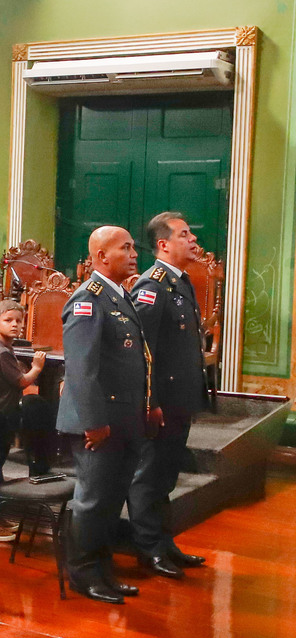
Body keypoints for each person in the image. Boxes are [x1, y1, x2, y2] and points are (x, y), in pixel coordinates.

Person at [57, 225, 158, 604]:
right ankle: (82, 572)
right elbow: (82, 370)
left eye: (134, 247)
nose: (134, 254)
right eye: (125, 248)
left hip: (123, 419)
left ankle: (103, 569)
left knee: (111, 499)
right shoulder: (88, 299)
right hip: (97, 423)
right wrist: (95, 422)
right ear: (101, 256)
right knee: (94, 499)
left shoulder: (120, 296)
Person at [127, 212, 209, 576]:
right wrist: (151, 402)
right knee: (149, 476)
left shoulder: (181, 281)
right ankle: (148, 548)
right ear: (163, 244)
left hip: (181, 399)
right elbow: (142, 353)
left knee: (167, 475)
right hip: (160, 403)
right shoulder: (151, 286)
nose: (193, 240)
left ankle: (165, 543)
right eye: (185, 234)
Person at [0, 299, 46, 540]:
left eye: (18, 320)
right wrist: (36, 367)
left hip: (1, 417)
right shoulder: (1, 352)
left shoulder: (5, 348)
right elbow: (22, 382)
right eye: (8, 320)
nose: (15, 325)